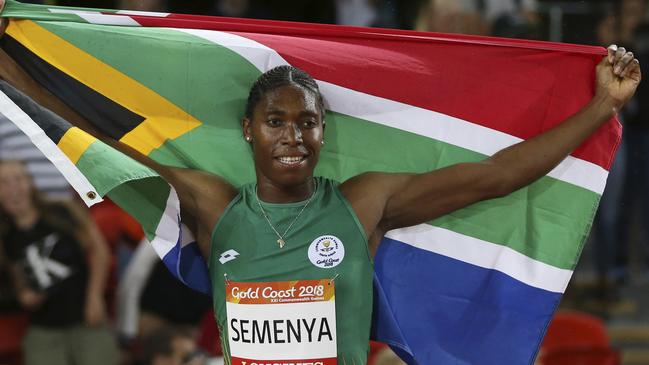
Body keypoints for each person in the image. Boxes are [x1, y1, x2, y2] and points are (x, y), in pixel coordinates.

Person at [0, 0, 642, 362]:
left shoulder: (366, 201)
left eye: (306, 122)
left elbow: (497, 176)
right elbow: (92, 128)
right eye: (275, 121)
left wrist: (600, 108)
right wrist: (13, 53)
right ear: (249, 131)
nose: (293, 135)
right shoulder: (212, 202)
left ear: (322, 133)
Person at [0, 160, 118, 365]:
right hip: (44, 327)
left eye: (18, 179)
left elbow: (100, 251)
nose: (13, 189)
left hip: (84, 316)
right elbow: (17, 279)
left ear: (30, 183)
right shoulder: (5, 236)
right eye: (3, 183)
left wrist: (95, 296)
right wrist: (25, 296)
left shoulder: (62, 212)